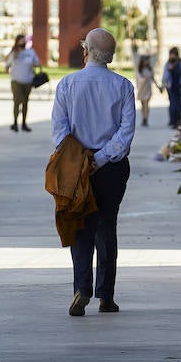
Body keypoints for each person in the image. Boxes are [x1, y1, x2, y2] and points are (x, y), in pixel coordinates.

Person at [50, 27, 135, 316]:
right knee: (106, 227)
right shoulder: (123, 86)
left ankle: (81, 288)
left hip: (76, 167)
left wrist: (83, 160)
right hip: (111, 169)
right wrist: (101, 158)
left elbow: (59, 133)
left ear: (85, 50)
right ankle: (105, 296)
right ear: (110, 55)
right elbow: (125, 135)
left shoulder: (67, 84)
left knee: (80, 226)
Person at [4, 31, 41, 132]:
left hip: (28, 80)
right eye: (21, 42)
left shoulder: (30, 52)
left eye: (24, 41)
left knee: (25, 102)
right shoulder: (13, 53)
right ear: (16, 42)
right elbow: (6, 67)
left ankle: (24, 123)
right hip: (16, 81)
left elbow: (37, 63)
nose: (22, 43)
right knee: (17, 101)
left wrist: (34, 65)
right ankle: (15, 122)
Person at [161, 47, 181, 129]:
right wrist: (163, 85)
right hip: (171, 87)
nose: (172, 57)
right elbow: (165, 75)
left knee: (179, 104)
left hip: (180, 87)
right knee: (172, 104)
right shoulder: (168, 64)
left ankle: (178, 120)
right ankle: (172, 121)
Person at [135, 53, 158, 126]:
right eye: (145, 60)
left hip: (148, 88)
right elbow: (138, 79)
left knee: (146, 104)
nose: (146, 62)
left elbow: (153, 79)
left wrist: (158, 87)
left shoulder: (150, 69)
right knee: (142, 104)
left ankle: (146, 118)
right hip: (141, 89)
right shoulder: (139, 69)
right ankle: (143, 117)